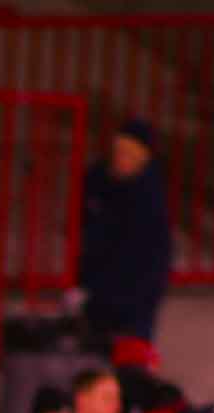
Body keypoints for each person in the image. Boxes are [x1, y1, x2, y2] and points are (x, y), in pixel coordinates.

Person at [79, 117, 172, 346]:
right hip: (97, 289)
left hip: (135, 292)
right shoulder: (97, 181)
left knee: (130, 355)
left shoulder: (148, 196)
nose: (122, 159)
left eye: (130, 154)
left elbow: (148, 254)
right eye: (119, 151)